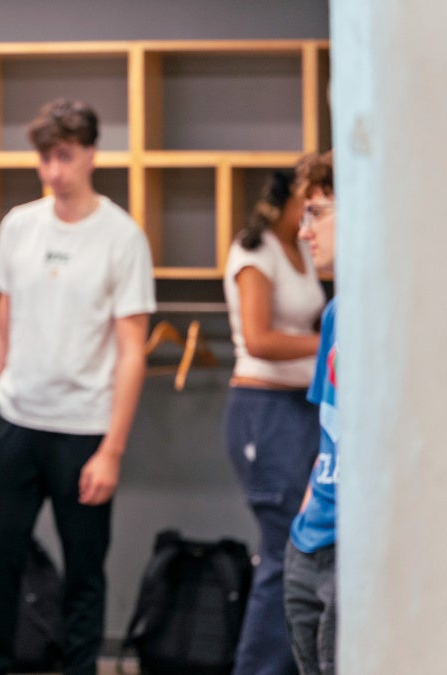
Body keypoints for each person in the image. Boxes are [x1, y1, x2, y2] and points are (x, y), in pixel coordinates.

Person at [0, 99, 155, 675]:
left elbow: (132, 352)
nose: (54, 170)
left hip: (84, 430)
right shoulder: (19, 225)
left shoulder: (122, 237)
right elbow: (1, 333)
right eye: (45, 157)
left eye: (65, 156)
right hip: (14, 421)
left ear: (91, 154)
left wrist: (112, 450)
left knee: (85, 573)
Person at [221, 168, 325, 675]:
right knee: (284, 553)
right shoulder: (255, 251)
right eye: (309, 203)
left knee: (306, 552)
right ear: (287, 202)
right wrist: (333, 342)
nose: (312, 215)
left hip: (302, 407)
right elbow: (259, 339)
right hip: (264, 412)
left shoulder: (301, 248)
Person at [284, 150, 338, 675]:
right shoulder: (335, 314)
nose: (304, 232)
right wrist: (301, 531)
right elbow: (329, 432)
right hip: (311, 541)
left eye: (317, 213)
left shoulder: (410, 315)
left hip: (363, 546)